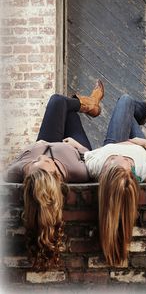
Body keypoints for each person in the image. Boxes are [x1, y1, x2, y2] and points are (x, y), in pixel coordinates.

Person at [4, 79, 105, 269]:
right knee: (69, 111)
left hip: (46, 140)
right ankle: (91, 103)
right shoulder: (76, 172)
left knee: (58, 101)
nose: (43, 160)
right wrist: (79, 148)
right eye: (48, 165)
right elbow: (95, 159)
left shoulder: (18, 171)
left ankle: (90, 103)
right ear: (57, 179)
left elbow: (7, 173)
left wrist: (30, 160)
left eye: (37, 165)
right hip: (72, 149)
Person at [84, 93, 146, 266]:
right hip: (138, 143)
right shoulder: (142, 170)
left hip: (113, 141)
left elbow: (85, 155)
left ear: (106, 172)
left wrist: (111, 154)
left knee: (124, 100)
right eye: (127, 163)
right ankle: (139, 113)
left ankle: (138, 113)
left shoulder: (97, 166)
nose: (121, 157)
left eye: (113, 161)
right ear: (132, 174)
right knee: (124, 101)